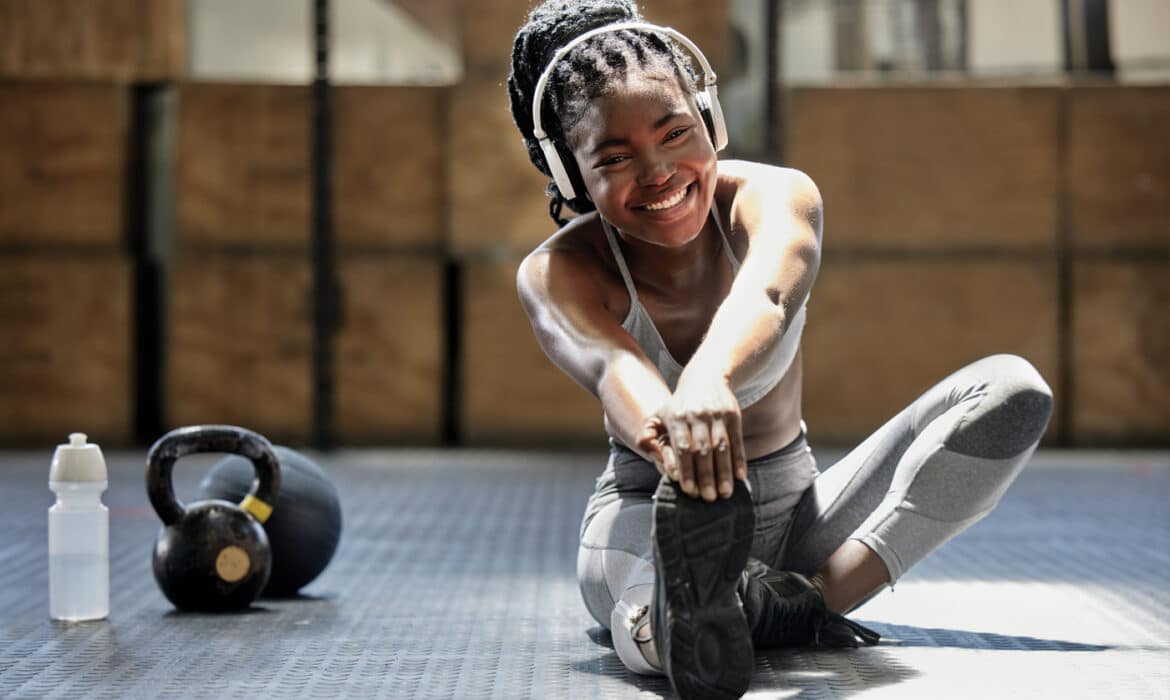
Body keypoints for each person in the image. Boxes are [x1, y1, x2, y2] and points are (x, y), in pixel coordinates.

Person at [508, 2, 1054, 698]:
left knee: (1011, 392)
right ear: (568, 174)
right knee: (654, 623)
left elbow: (767, 296)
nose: (659, 171)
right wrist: (678, 430)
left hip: (797, 514)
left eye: (676, 132)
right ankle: (701, 616)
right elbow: (613, 365)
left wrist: (709, 378)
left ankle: (789, 604)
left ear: (709, 119)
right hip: (651, 517)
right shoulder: (557, 272)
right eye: (614, 158)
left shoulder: (774, 195)